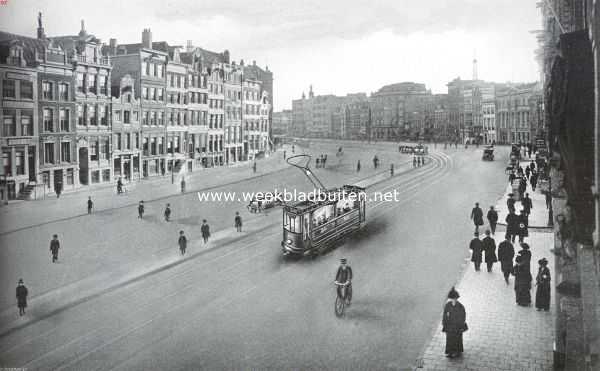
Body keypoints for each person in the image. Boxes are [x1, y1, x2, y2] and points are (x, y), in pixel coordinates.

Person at [442, 287, 466, 359]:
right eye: (452, 298)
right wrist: (444, 323)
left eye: (455, 298)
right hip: (449, 325)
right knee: (449, 339)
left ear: (457, 298)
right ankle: (450, 352)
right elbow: (445, 315)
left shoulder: (460, 306)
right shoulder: (447, 305)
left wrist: (460, 325)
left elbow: (463, 317)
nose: (453, 300)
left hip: (457, 326)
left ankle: (457, 351)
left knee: (457, 339)